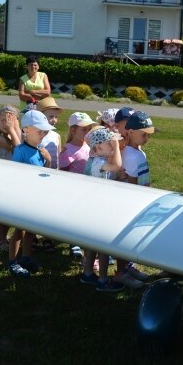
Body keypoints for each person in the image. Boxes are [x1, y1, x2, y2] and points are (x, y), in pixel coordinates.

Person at [112, 111, 156, 289]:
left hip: (141, 200)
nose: (146, 138)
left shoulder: (138, 153)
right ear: (130, 133)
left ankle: (127, 266)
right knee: (124, 238)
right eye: (143, 134)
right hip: (131, 203)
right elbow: (131, 185)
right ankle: (120, 272)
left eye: (148, 135)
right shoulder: (130, 156)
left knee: (131, 238)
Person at [7, 110, 53, 277]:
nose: (44, 134)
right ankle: (13, 261)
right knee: (19, 230)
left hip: (36, 196)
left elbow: (45, 174)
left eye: (45, 131)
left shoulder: (41, 151)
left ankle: (26, 257)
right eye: (40, 131)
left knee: (31, 230)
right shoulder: (20, 151)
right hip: (23, 196)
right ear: (26, 130)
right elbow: (14, 174)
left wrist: (48, 160)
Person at [79, 127, 125, 292]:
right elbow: (118, 166)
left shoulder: (97, 160)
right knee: (104, 245)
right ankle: (103, 280)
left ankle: (88, 273)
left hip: (93, 207)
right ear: (98, 148)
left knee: (92, 243)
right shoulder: (99, 163)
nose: (113, 146)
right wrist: (118, 147)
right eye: (109, 144)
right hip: (99, 209)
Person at [59, 111, 98, 259]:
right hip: (74, 190)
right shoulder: (67, 150)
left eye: (89, 129)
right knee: (74, 217)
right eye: (84, 129)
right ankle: (74, 242)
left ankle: (83, 240)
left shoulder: (90, 147)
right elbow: (63, 173)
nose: (87, 133)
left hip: (88, 189)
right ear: (73, 130)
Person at [0, 105, 22, 251]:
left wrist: (14, 130)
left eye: (10, 120)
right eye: (3, 120)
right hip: (0, 178)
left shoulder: (19, 136)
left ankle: (5, 238)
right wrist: (11, 129)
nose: (6, 123)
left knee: (8, 210)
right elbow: (17, 150)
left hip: (14, 179)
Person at [36, 96, 63, 251]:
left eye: (55, 117)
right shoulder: (35, 134)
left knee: (49, 209)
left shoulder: (56, 135)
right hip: (38, 176)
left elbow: (58, 155)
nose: (54, 120)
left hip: (52, 176)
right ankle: (31, 236)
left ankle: (47, 238)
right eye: (50, 116)